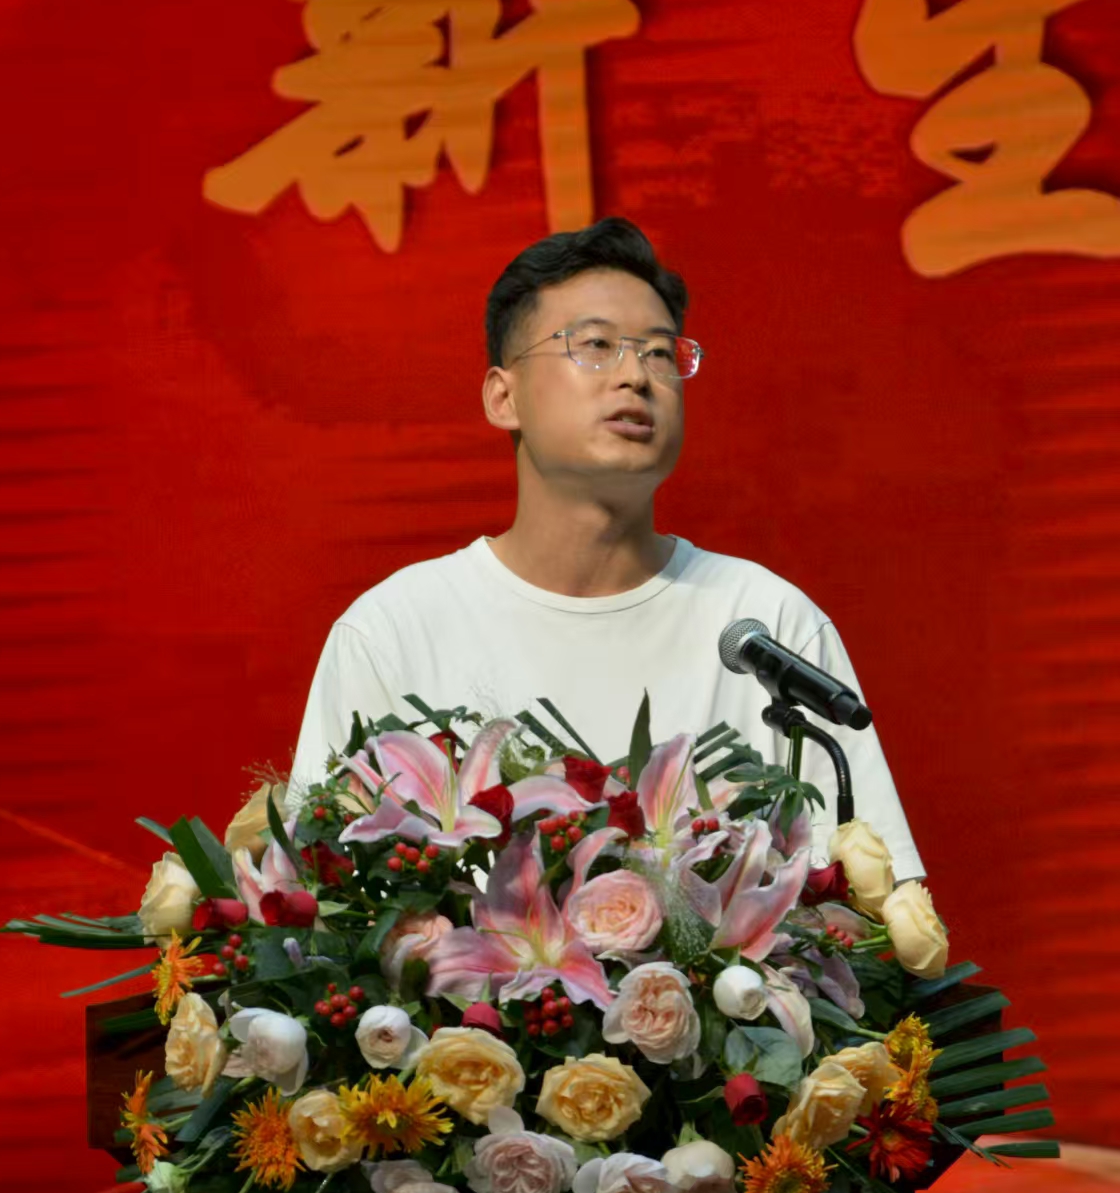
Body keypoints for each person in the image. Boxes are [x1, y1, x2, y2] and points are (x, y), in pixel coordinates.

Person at [289, 217, 922, 879]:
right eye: (596, 345)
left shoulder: (763, 626)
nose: (636, 377)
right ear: (503, 397)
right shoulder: (395, 633)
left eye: (660, 354)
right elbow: (324, 894)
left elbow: (870, 906)